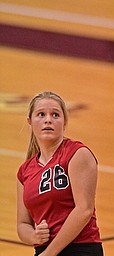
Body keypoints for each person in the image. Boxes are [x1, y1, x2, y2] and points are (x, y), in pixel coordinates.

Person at [16, 91, 104, 256]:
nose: (48, 119)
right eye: (41, 114)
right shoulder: (25, 171)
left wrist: (50, 253)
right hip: (44, 250)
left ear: (64, 122)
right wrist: (33, 235)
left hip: (80, 248)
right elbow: (22, 224)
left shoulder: (77, 153)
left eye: (55, 115)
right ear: (30, 121)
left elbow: (84, 210)